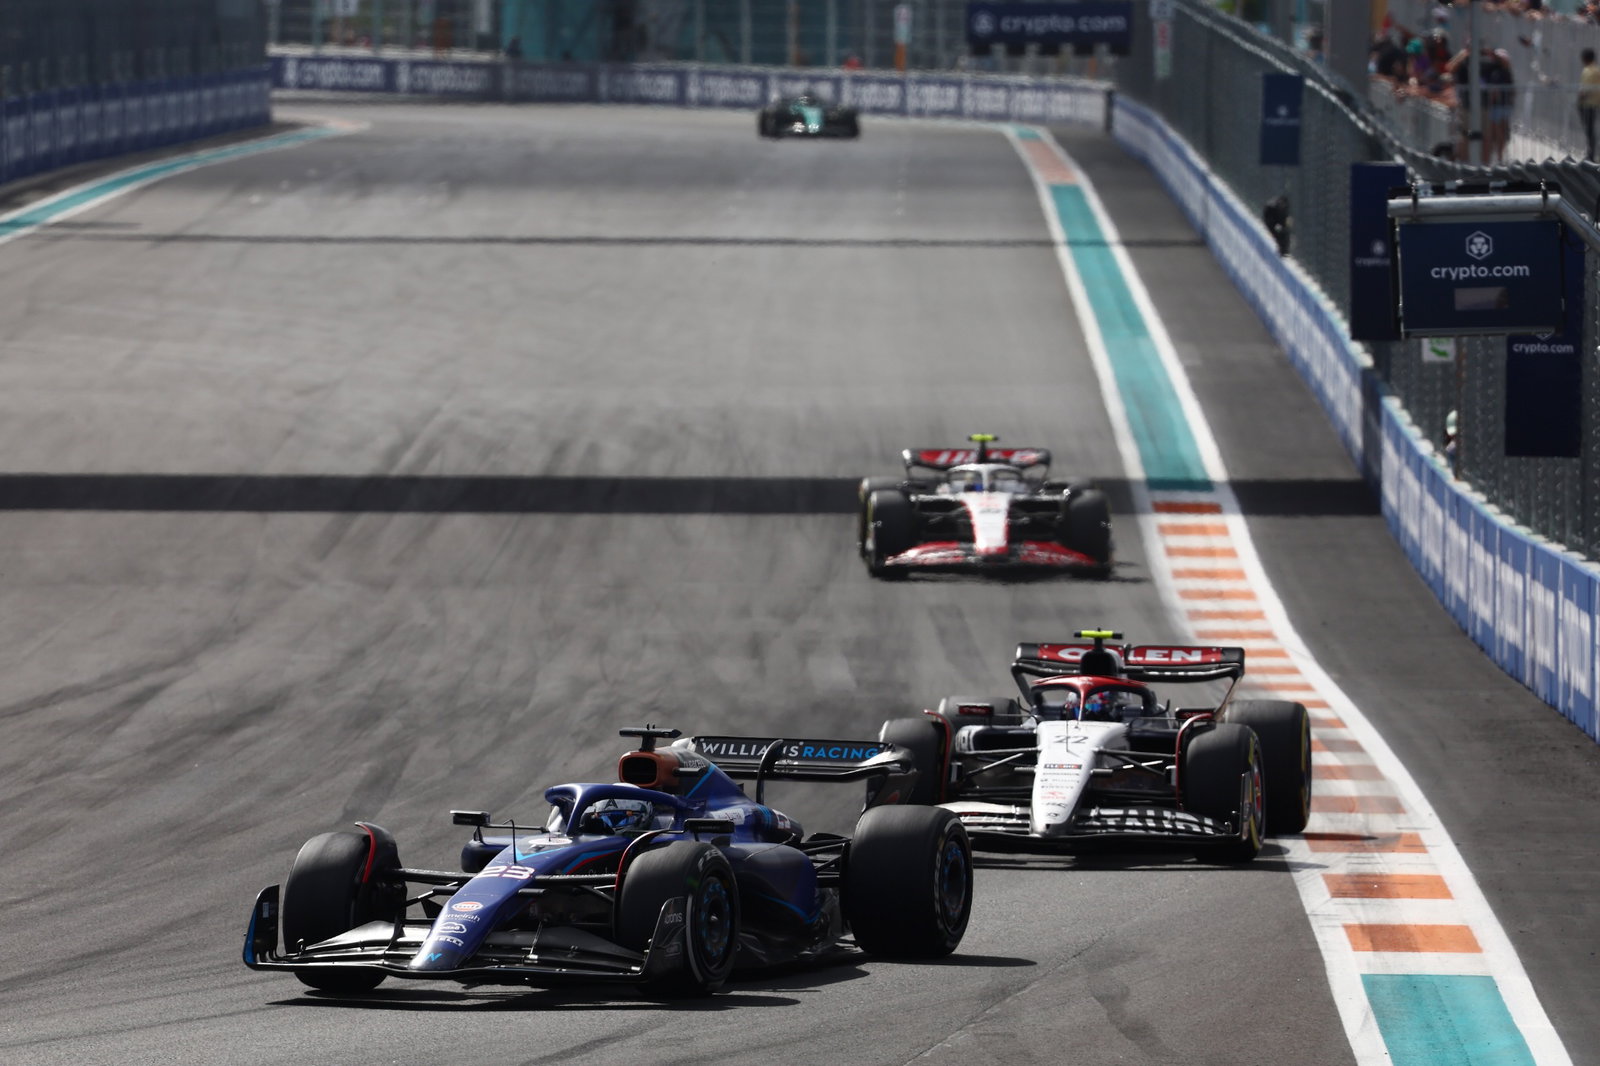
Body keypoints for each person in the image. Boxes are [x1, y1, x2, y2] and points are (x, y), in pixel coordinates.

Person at [1580, 48, 1600, 161]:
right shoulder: (1596, 70)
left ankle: (1591, 155)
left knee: (1589, 131)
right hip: (1595, 104)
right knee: (1591, 131)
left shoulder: (1588, 70)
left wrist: (1580, 97)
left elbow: (1585, 89)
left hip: (1587, 105)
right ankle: (1592, 154)